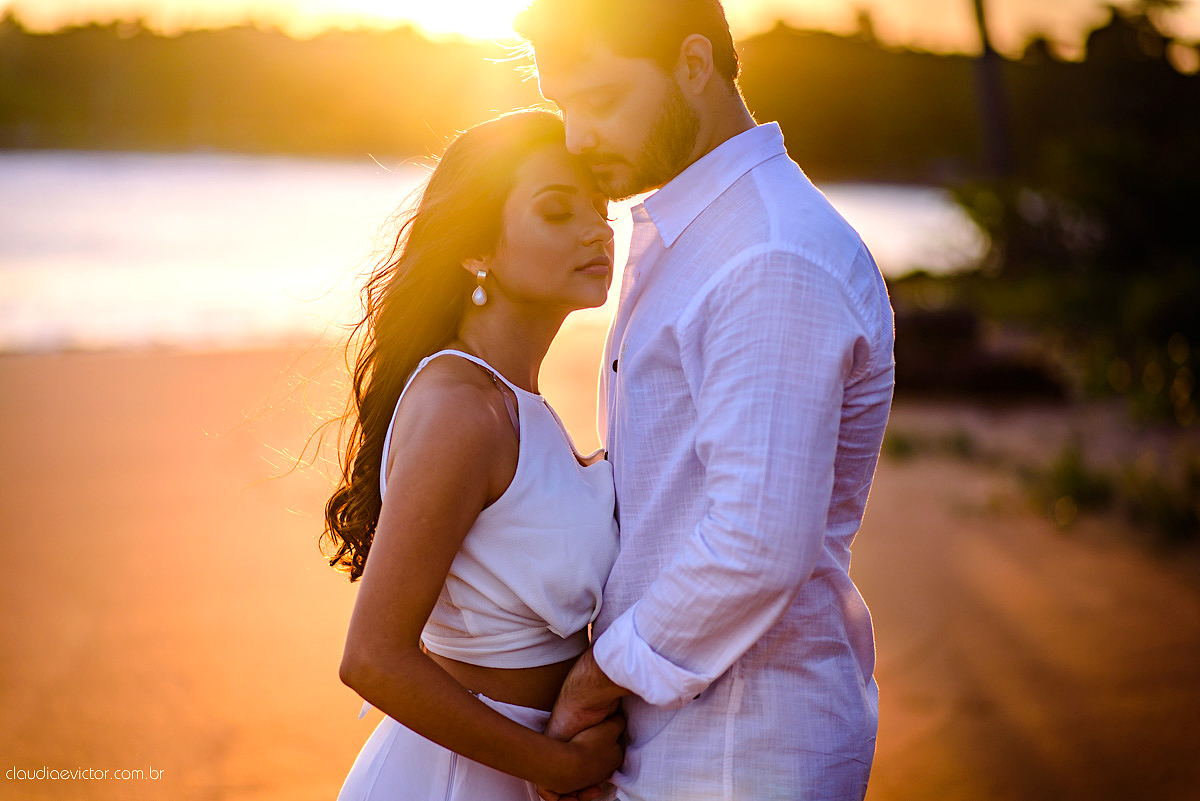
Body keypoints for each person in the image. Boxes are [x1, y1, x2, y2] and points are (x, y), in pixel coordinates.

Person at [513, 1, 896, 799]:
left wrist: (594, 679)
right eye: (563, 106)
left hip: (741, 748)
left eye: (602, 100)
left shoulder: (767, 252)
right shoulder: (705, 233)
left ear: (694, 66)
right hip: (688, 732)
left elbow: (757, 541)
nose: (578, 135)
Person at [322, 109, 625, 801]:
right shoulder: (464, 406)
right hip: (453, 781)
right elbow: (371, 658)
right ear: (477, 249)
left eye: (602, 208)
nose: (598, 229)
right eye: (557, 211)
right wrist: (558, 766)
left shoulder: (520, 402)